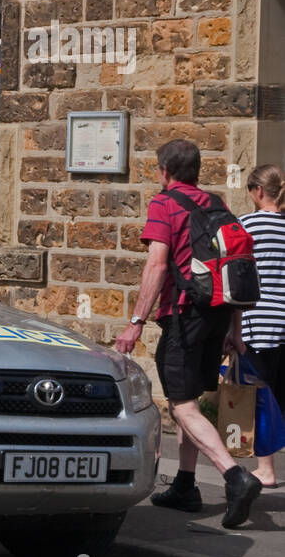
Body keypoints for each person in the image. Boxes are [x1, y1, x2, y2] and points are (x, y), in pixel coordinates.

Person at [114, 138, 261, 528]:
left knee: (182, 406)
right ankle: (185, 485)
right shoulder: (217, 204)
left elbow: (157, 266)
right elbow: (234, 267)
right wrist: (236, 329)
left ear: (164, 171)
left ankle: (235, 476)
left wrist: (136, 322)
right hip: (216, 315)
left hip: (183, 316)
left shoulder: (164, 204)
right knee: (192, 399)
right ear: (197, 170)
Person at [240, 165, 285, 487]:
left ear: (257, 192)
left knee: (260, 396)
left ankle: (266, 469)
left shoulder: (245, 227)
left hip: (258, 324)